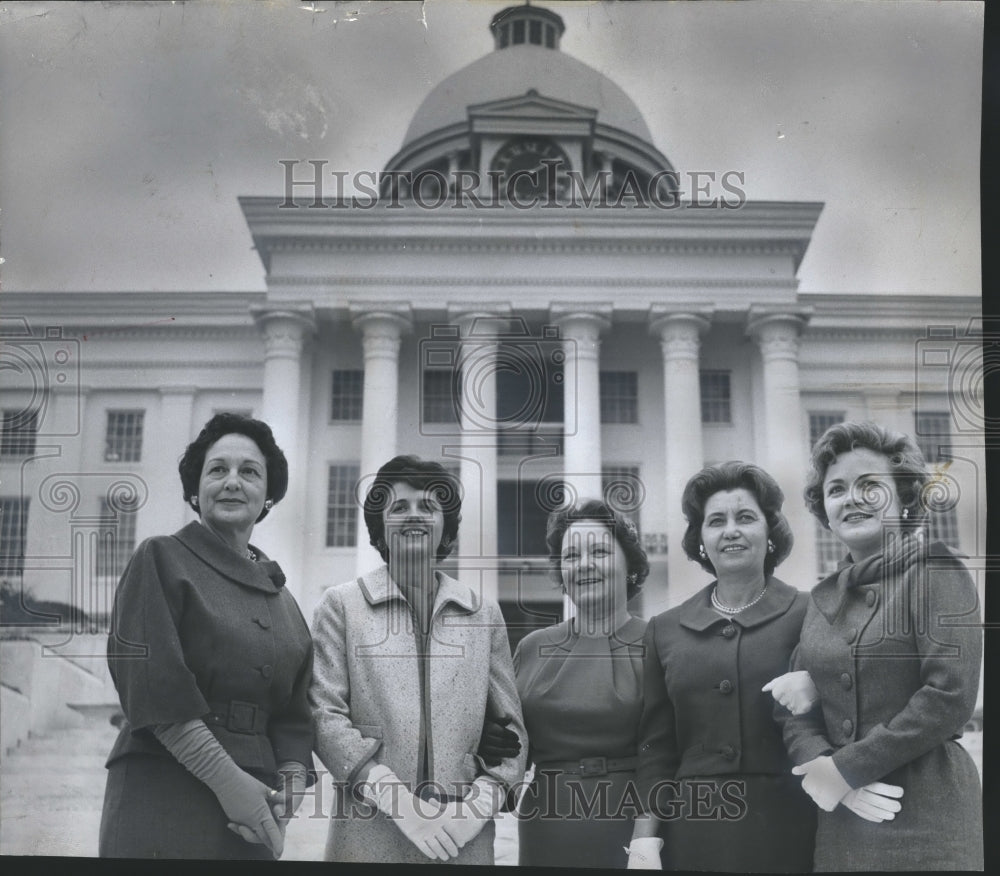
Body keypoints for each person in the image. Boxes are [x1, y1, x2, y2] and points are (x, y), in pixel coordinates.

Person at [100, 413, 314, 860]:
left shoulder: (284, 598)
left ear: (268, 495)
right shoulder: (161, 558)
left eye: (249, 472)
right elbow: (152, 685)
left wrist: (290, 787)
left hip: (255, 810)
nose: (233, 482)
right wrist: (227, 782)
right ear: (195, 490)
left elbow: (295, 711)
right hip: (162, 787)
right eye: (218, 470)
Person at [777, 422, 983, 871]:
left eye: (870, 486)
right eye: (836, 489)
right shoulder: (822, 598)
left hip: (928, 813)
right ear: (824, 508)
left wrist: (847, 769)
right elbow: (793, 715)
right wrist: (825, 770)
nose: (851, 499)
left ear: (906, 497)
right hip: (843, 824)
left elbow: (949, 696)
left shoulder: (936, 570)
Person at [309, 455, 527, 865]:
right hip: (369, 833)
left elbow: (512, 732)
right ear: (380, 526)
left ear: (446, 525)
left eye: (428, 506)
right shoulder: (341, 606)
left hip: (463, 840)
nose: (415, 516)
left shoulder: (483, 613)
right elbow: (324, 715)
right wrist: (398, 803)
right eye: (399, 507)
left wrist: (475, 809)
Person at [628, 462, 816, 872]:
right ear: (701, 541)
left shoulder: (811, 612)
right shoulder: (664, 630)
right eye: (716, 521)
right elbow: (657, 748)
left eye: (745, 517)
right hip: (694, 833)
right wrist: (644, 840)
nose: (731, 530)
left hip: (793, 827)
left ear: (770, 533)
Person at [506, 499, 650, 869]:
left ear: (629, 565)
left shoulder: (660, 644)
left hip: (634, 831)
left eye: (599, 551)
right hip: (545, 829)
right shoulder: (532, 647)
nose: (584, 565)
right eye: (571, 556)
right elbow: (507, 748)